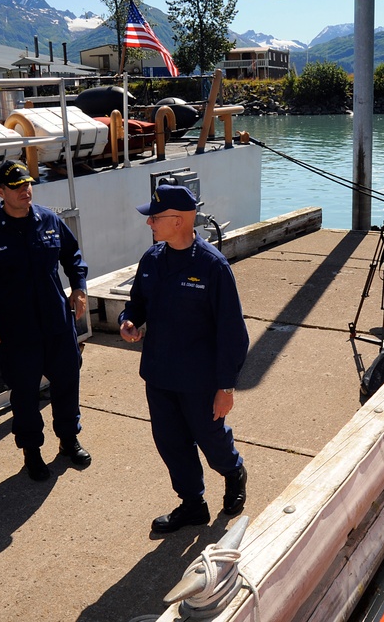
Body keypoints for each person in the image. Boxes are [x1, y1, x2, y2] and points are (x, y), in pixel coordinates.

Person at [0, 160, 91, 480]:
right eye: (16, 187)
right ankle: (32, 452)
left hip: (57, 324)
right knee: (25, 393)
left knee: (67, 383)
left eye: (27, 184)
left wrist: (79, 288)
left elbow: (73, 256)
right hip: (17, 331)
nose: (25, 190)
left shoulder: (49, 221)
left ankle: (69, 440)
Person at [119, 184, 249, 534]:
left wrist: (226, 387)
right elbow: (137, 303)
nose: (150, 223)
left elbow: (232, 333)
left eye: (155, 218)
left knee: (210, 439)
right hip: (159, 375)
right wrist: (128, 321)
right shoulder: (152, 259)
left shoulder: (212, 267)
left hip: (199, 380)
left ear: (178, 221)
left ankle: (234, 471)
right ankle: (193, 504)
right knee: (171, 444)